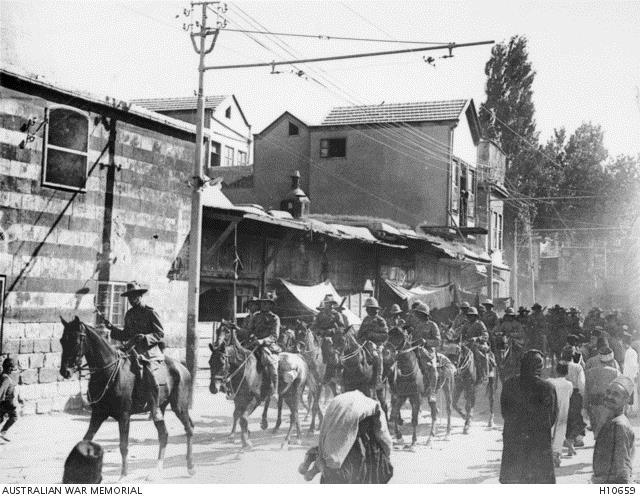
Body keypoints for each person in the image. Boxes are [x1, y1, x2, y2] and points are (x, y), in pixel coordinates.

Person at [297, 390, 393, 483]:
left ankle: (314, 455)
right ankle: (320, 465)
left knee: (332, 446)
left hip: (336, 414)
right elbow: (383, 434)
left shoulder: (347, 399)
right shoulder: (373, 405)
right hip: (353, 425)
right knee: (340, 469)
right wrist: (387, 454)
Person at [103, 281, 164, 421]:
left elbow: (160, 334)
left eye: (134, 296)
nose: (131, 299)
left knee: (148, 373)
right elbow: (125, 335)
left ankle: (155, 408)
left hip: (149, 352)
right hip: (132, 351)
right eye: (129, 297)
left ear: (140, 296)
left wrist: (146, 337)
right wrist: (112, 329)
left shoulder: (150, 312)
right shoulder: (129, 314)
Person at [500, 350, 557, 484]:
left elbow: (505, 412)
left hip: (514, 441)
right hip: (539, 443)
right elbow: (552, 416)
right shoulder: (548, 387)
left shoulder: (509, 384)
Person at [592, 377, 636, 484]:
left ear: (626, 400)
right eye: (608, 392)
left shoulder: (619, 425)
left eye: (616, 394)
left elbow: (623, 467)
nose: (609, 396)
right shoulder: (613, 421)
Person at [247, 293, 281, 397]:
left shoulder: (275, 318)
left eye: (266, 303)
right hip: (254, 344)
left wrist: (262, 341)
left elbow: (275, 336)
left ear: (270, 305)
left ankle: (274, 390)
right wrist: (236, 329)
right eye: (262, 303)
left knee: (271, 365)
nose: (264, 305)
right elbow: (249, 331)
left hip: (268, 346)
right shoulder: (256, 316)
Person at [585, 346, 620, 438]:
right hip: (608, 403)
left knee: (597, 429)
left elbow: (586, 391)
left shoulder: (590, 372)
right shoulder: (615, 372)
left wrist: (584, 406)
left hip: (594, 403)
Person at [409, 302, 441, 401]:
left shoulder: (432, 325)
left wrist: (426, 342)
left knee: (432, 368)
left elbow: (438, 341)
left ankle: (432, 392)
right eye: (417, 314)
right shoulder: (416, 325)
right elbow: (412, 339)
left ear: (425, 315)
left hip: (428, 352)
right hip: (415, 350)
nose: (417, 316)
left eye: (419, 314)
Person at [356, 297, 389, 389]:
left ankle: (378, 379)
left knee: (378, 357)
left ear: (375, 309)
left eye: (369, 308)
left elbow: (385, 335)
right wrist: (361, 339)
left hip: (378, 344)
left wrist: (372, 335)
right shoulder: (365, 320)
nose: (367, 310)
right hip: (364, 343)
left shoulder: (380, 320)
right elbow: (359, 334)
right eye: (367, 308)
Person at [547, 362, 574, 467]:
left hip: (551, 409)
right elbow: (570, 395)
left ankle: (548, 452)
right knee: (560, 430)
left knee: (550, 429)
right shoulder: (569, 385)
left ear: (556, 371)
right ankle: (556, 454)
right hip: (563, 410)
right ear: (567, 373)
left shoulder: (549, 382)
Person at [561, 346, 586, 450]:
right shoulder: (577, 367)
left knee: (565, 415)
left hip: (563, 392)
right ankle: (578, 439)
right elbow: (581, 383)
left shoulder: (560, 366)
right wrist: (583, 394)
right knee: (577, 415)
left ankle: (566, 438)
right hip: (575, 393)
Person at [459, 307, 492, 384]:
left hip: (480, 344)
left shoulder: (480, 324)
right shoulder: (466, 324)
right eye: (469, 315)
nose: (470, 317)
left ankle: (482, 375)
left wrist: (477, 338)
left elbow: (485, 335)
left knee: (478, 355)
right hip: (468, 344)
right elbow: (462, 334)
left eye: (472, 315)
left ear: (475, 316)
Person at [0, 357, 18, 442]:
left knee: (1, 418)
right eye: (12, 368)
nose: (12, 370)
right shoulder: (6, 379)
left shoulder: (2, 376)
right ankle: (3, 432)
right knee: (14, 417)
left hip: (3, 403)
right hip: (8, 402)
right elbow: (1, 390)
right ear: (9, 368)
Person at [622, 329, 639, 415]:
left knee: (630, 394)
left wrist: (630, 376)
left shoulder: (631, 352)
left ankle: (630, 411)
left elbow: (633, 366)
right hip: (627, 376)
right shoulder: (628, 351)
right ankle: (628, 410)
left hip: (629, 376)